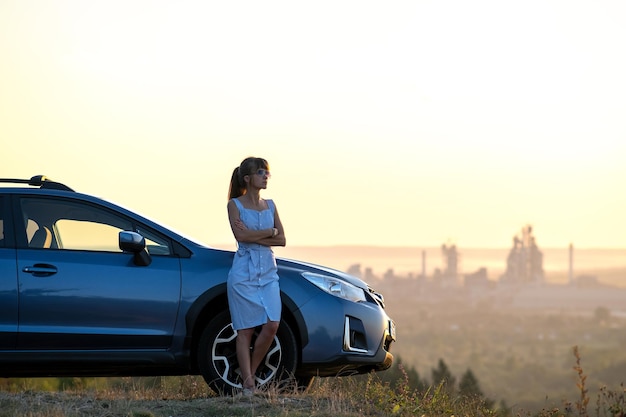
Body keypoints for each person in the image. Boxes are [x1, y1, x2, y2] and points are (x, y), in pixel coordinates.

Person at [226, 156, 286, 396]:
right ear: (248, 178)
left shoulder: (270, 205)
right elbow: (241, 238)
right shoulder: (235, 205)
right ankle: (249, 384)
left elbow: (281, 239)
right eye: (261, 173)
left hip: (268, 274)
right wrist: (268, 232)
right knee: (245, 330)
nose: (265, 177)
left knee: (272, 324)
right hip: (243, 274)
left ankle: (249, 372)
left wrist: (256, 234)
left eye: (267, 173)